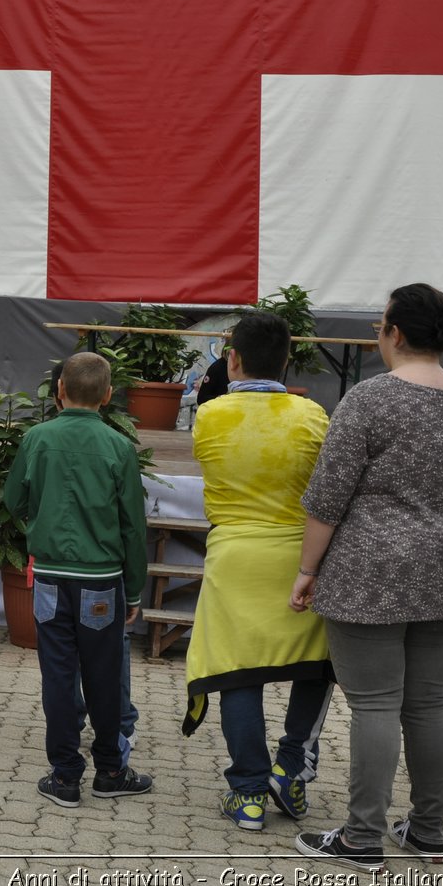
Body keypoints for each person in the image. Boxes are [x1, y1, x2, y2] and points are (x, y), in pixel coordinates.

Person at [290, 282, 443, 872]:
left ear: (396, 333)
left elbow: (327, 498)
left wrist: (307, 571)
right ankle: (428, 830)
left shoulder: (368, 400)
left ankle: (362, 839)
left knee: (375, 704)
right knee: (431, 704)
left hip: (369, 567)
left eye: (380, 323)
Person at [185, 312, 334, 833]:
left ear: (232, 360)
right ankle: (290, 768)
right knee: (317, 662)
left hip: (234, 555)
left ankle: (247, 793)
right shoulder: (314, 415)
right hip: (301, 557)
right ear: (288, 361)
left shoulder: (210, 415)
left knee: (236, 670)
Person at [5, 351, 153, 807]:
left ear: (59, 392)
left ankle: (65, 775)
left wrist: (42, 523)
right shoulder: (119, 447)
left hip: (51, 575)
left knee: (58, 673)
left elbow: (13, 499)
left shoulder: (36, 439)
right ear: (108, 396)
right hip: (102, 579)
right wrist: (133, 589)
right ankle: (110, 768)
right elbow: (132, 525)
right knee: (104, 675)